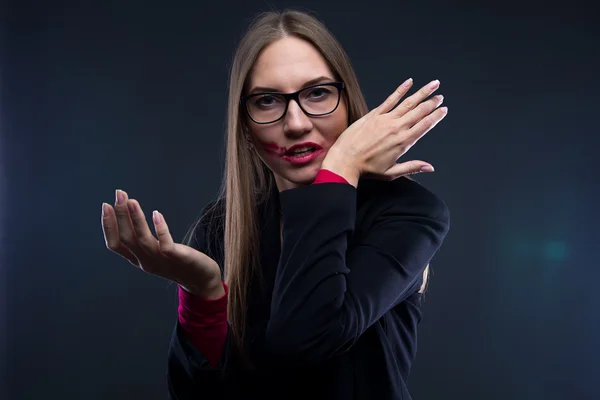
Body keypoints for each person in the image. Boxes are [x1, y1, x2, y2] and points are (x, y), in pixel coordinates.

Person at [101, 9, 449, 400]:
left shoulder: (406, 213)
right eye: (267, 100)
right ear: (245, 127)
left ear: (349, 105)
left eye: (318, 93)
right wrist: (203, 294)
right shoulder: (221, 226)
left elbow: (305, 338)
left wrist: (339, 168)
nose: (297, 123)